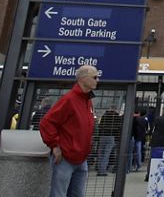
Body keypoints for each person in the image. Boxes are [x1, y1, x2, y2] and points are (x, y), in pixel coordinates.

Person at [39, 64, 99, 197]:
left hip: (81, 158)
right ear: (83, 79)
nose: (97, 80)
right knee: (58, 193)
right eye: (95, 77)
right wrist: (55, 146)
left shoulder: (87, 101)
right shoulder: (69, 100)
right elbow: (47, 122)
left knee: (77, 194)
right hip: (65, 157)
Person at [94, 108, 122, 176]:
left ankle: (99, 168)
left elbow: (100, 126)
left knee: (100, 153)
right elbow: (118, 127)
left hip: (102, 136)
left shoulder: (104, 116)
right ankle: (102, 170)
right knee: (106, 154)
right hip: (111, 136)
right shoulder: (116, 117)